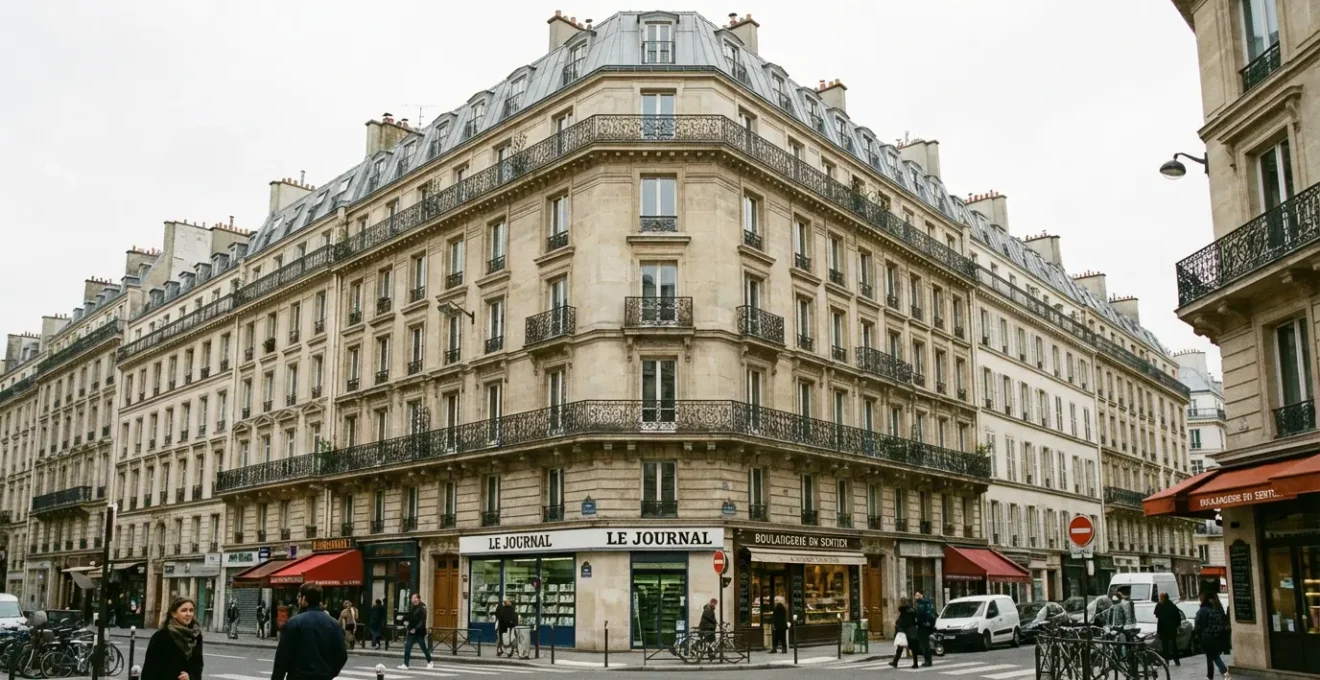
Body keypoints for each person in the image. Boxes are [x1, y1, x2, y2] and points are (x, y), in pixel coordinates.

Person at [271, 583, 348, 680]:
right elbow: (342, 655)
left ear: (304, 599)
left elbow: (282, 658)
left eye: (299, 597)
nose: (297, 600)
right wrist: (330, 673)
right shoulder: (334, 624)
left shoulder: (293, 623)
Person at [142, 597, 204, 680]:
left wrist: (191, 677)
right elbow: (150, 668)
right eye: (184, 610)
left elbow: (198, 665)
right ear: (174, 614)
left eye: (191, 610)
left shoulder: (196, 636)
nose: (188, 614)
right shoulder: (161, 636)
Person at [1194, 593, 1229, 680]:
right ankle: (1210, 676)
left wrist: (1199, 636)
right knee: (1211, 657)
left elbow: (1198, 626)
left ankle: (1227, 677)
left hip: (1208, 638)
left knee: (1216, 659)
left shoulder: (1203, 610)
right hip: (1218, 637)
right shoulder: (1218, 609)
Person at [398, 593, 432, 670]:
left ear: (418, 599)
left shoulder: (422, 607)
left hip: (419, 632)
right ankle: (405, 664)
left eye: (414, 598)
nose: (413, 599)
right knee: (407, 647)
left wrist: (415, 629)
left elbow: (422, 620)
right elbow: (410, 617)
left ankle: (430, 662)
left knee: (423, 648)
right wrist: (403, 619)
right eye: (412, 598)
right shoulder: (413, 607)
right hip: (411, 631)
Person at [890, 597, 919, 669]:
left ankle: (895, 662)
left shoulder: (903, 610)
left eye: (899, 602)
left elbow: (901, 620)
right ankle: (915, 663)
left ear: (902, 603)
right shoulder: (912, 610)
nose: (898, 604)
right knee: (913, 647)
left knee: (900, 647)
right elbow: (915, 619)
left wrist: (898, 624)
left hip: (905, 630)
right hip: (912, 630)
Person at [1154, 592, 1182, 666]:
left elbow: (1156, 614)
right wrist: (1177, 625)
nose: (1160, 598)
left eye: (1160, 597)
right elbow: (1178, 617)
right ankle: (1176, 660)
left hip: (1163, 628)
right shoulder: (1172, 605)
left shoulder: (1160, 605)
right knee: (1173, 645)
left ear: (1163, 598)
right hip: (1172, 628)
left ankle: (1167, 661)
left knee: (1165, 646)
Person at [915, 590, 936, 667]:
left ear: (921, 595)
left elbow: (922, 615)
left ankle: (928, 661)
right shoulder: (924, 603)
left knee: (925, 644)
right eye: (915, 595)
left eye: (917, 595)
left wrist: (920, 621)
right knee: (924, 644)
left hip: (923, 627)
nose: (916, 597)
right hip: (923, 626)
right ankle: (927, 660)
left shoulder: (922, 604)